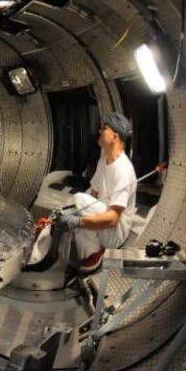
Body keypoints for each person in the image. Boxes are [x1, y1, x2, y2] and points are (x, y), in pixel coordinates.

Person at [55, 112, 138, 273]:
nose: (99, 131)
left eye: (104, 128)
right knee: (75, 203)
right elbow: (93, 193)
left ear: (114, 136)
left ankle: (93, 255)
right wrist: (67, 211)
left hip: (115, 232)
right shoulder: (104, 160)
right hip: (103, 219)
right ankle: (69, 257)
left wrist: (78, 221)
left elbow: (113, 218)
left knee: (79, 200)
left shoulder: (123, 170)